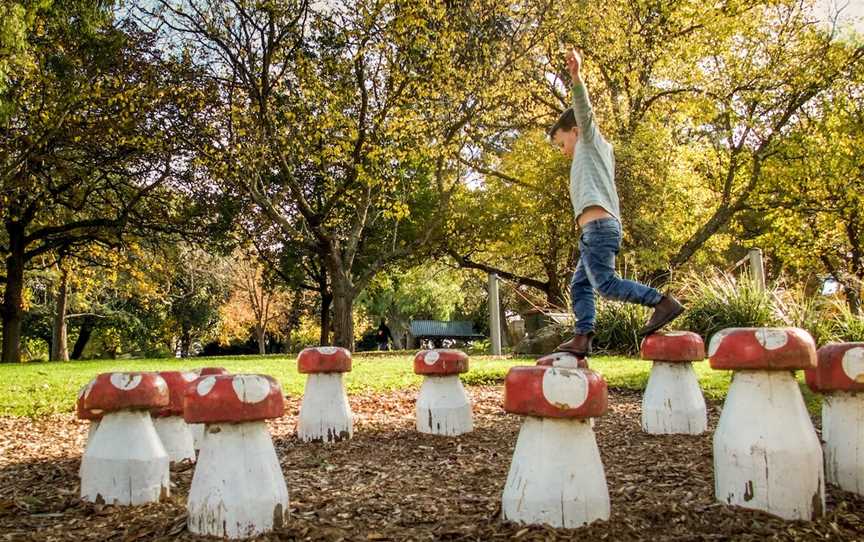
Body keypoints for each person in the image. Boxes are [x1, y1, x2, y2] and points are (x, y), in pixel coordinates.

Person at [549, 47, 684, 357]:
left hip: (598, 228)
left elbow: (583, 111)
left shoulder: (590, 141)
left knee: (606, 285)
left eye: (562, 143)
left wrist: (576, 77)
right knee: (580, 285)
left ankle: (661, 302)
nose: (563, 150)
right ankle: (582, 336)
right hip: (594, 231)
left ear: (576, 131)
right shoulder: (594, 154)